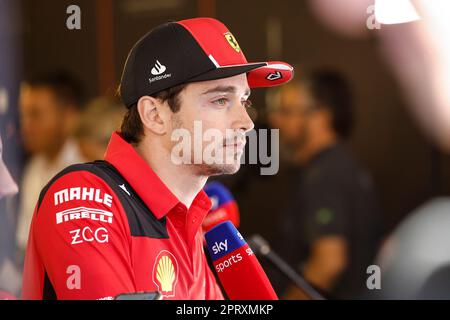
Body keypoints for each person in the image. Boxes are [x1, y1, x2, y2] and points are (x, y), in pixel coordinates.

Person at [22, 17, 293, 300]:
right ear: (154, 115)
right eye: (221, 100)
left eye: (244, 100)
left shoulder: (195, 220)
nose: (246, 122)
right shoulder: (84, 196)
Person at [268, 69, 382, 299]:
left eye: (286, 111)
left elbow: (329, 262)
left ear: (320, 116)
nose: (275, 120)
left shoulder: (326, 174)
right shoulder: (337, 166)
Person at [16, 71, 87, 254]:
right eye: (24, 115)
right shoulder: (33, 169)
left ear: (68, 116)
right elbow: (27, 246)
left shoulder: (89, 166)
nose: (26, 126)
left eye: (35, 115)